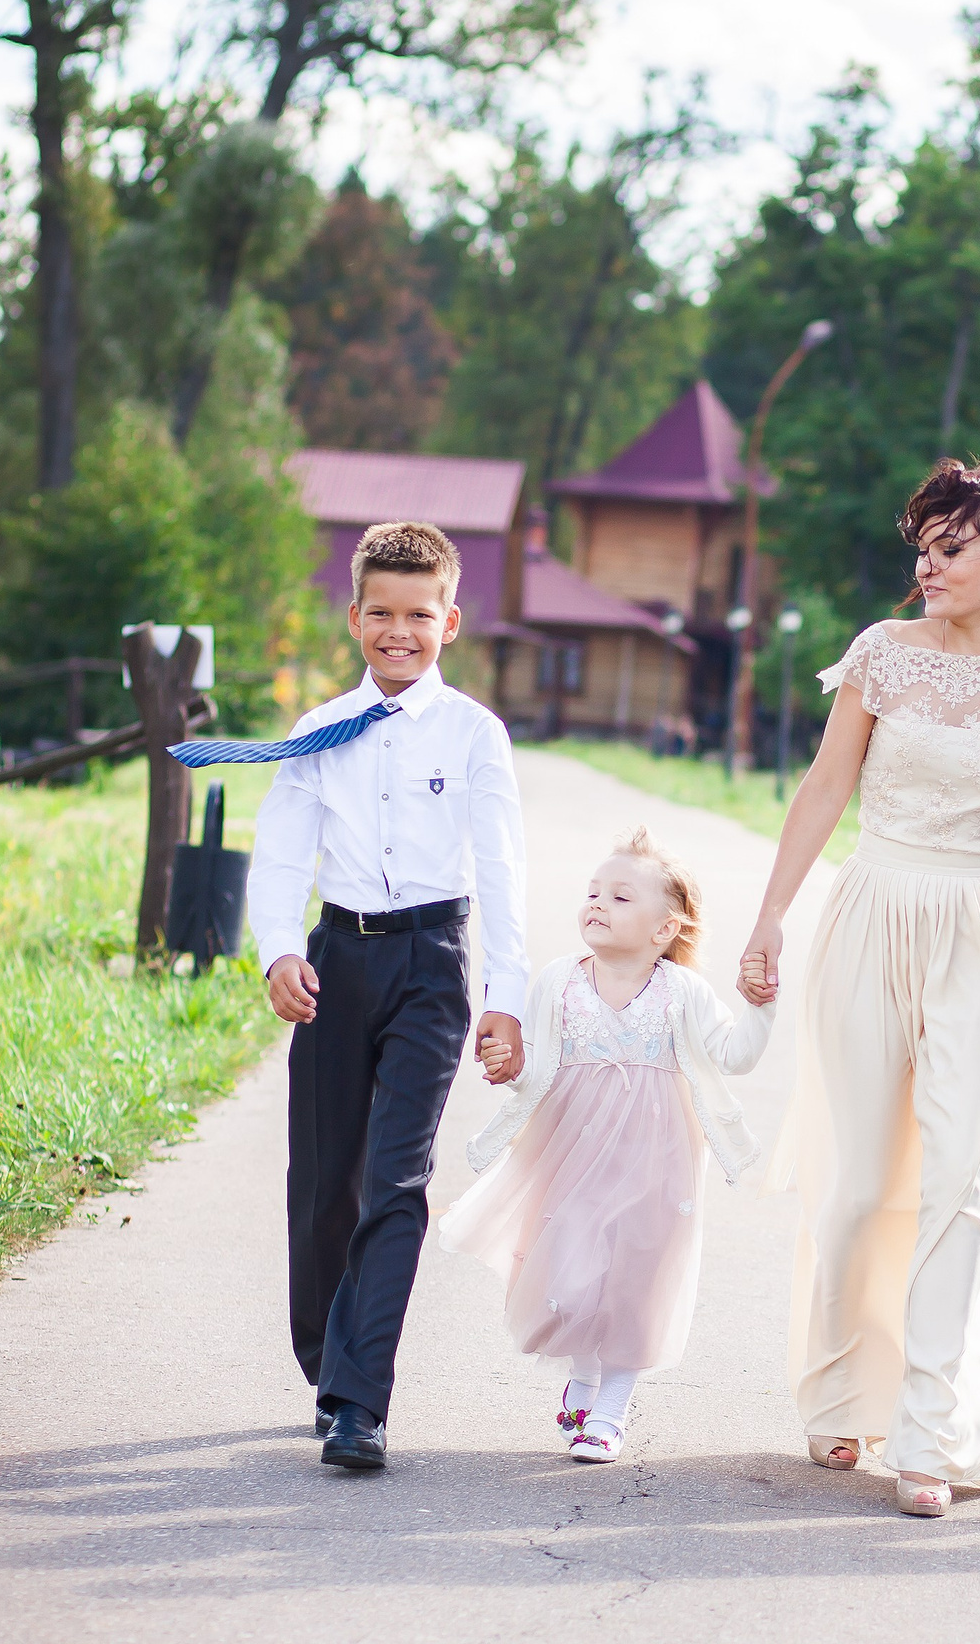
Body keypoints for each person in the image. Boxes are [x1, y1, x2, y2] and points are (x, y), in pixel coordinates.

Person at [740, 458, 980, 1520]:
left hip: (979, 931)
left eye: (951, 548)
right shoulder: (880, 655)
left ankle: (932, 1431)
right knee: (859, 1184)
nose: (927, 566)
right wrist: (767, 919)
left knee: (959, 1180)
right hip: (872, 914)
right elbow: (823, 789)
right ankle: (842, 1386)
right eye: (923, 547)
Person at [224, 520, 529, 1472]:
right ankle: (325, 1361)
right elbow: (281, 850)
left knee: (396, 1180)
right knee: (322, 1186)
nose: (400, 631)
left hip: (431, 964)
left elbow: (501, 867)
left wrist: (504, 993)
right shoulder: (320, 730)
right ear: (355, 617)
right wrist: (278, 951)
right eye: (382, 614)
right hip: (336, 962)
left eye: (420, 615)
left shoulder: (475, 733)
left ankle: (360, 1399)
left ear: (451, 621)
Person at [438, 828, 774, 1464]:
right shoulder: (559, 980)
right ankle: (585, 1376)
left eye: (621, 897)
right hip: (571, 1152)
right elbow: (536, 1062)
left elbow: (735, 1056)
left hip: (657, 1157)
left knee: (634, 1279)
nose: (598, 904)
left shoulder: (683, 993)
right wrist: (510, 1062)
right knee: (573, 1273)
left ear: (664, 929)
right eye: (594, 893)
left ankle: (612, 1408)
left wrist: (760, 1008)